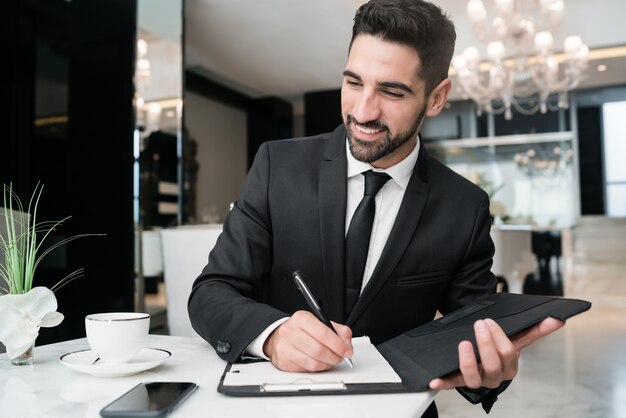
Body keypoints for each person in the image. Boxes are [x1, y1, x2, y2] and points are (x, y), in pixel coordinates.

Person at [188, 1, 563, 416]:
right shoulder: (277, 166)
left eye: (391, 91)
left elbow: (474, 334)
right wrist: (272, 336)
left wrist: (494, 370)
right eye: (353, 82)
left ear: (436, 98)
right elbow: (211, 293)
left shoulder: (464, 206)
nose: (363, 112)